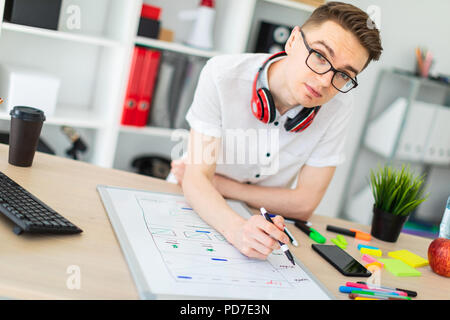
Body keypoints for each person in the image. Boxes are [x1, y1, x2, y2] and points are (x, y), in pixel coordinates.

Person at [169, 2, 383, 260]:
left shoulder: (339, 105)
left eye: (344, 75)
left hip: (261, 225)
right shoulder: (221, 74)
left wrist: (219, 184)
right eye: (319, 56)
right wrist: (235, 227)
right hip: (200, 207)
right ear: (292, 40)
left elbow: (304, 205)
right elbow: (194, 181)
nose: (326, 81)